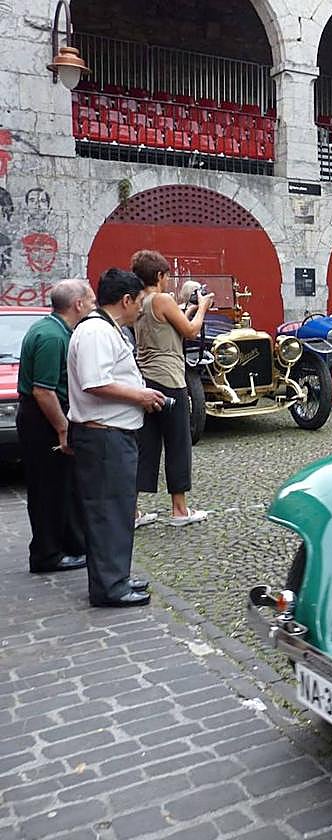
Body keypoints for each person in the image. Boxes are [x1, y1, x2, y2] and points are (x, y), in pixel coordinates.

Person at [68, 268, 165, 608]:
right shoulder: (96, 331)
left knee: (118, 510)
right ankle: (110, 587)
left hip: (112, 434)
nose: (141, 307)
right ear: (126, 300)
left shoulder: (108, 329)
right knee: (109, 512)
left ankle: (115, 577)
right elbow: (95, 382)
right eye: (139, 301)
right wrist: (140, 396)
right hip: (104, 436)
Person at [15, 279, 94, 574]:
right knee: (48, 489)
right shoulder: (51, 337)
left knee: (63, 485)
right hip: (42, 418)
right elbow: (43, 391)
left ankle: (70, 544)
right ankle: (47, 555)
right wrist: (63, 430)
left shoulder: (54, 330)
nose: (93, 306)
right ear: (78, 305)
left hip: (46, 413)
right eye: (91, 301)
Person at [131, 250, 213, 528]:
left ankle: (133, 511)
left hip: (146, 379)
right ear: (158, 276)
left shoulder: (137, 301)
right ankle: (179, 510)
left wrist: (187, 310)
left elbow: (168, 326)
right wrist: (202, 308)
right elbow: (190, 332)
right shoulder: (163, 299)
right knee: (178, 443)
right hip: (170, 379)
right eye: (166, 276)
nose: (168, 281)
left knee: (147, 445)